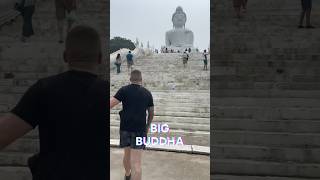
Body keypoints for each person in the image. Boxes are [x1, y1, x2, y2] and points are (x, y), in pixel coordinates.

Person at [0, 25, 108, 179]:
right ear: (100, 58)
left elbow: (3, 134)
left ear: (65, 56)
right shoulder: (108, 93)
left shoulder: (44, 89)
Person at [110, 70, 154, 180]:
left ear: (130, 79)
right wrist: (147, 126)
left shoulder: (124, 90)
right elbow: (151, 112)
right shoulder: (147, 93)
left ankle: (128, 174)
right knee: (137, 163)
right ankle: (130, 174)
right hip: (140, 129)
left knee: (127, 155)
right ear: (141, 80)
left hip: (125, 128)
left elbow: (110, 104)